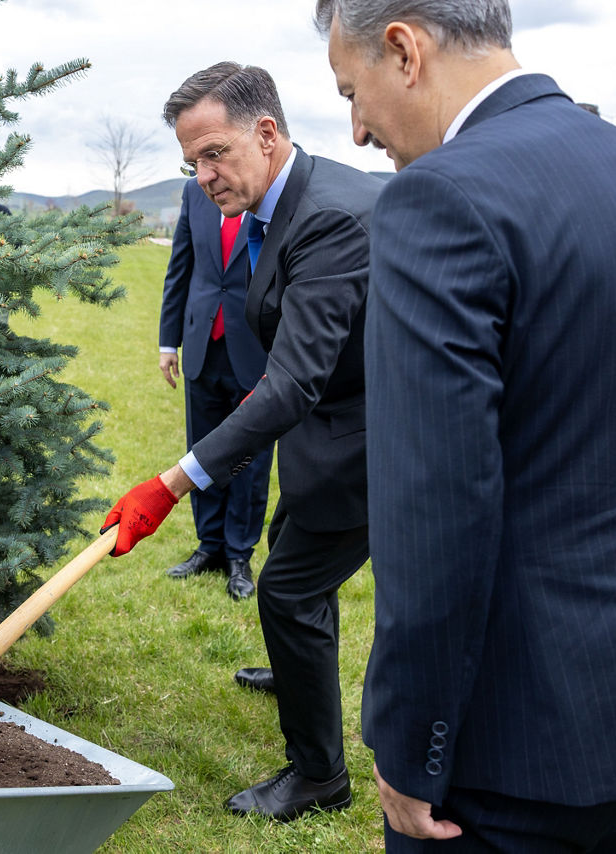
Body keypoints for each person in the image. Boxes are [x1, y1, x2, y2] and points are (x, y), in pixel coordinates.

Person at [315, 0, 616, 849]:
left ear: (403, 48)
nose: (358, 131)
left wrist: (410, 745)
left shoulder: (438, 199)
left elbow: (436, 509)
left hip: (513, 733)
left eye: (349, 92)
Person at [102, 61, 385, 821]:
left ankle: (320, 776)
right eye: (192, 162)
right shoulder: (277, 206)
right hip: (331, 420)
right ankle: (298, 673)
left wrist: (171, 483)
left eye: (215, 154)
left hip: (377, 433)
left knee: (289, 588)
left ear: (265, 133)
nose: (204, 176)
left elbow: (292, 383)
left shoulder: (327, 216)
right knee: (293, 544)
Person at [157, 177, 272, 600]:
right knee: (201, 450)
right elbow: (180, 267)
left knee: (248, 457)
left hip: (254, 349)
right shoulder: (194, 193)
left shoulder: (264, 187)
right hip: (201, 345)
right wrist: (168, 342)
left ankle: (240, 554)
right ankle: (209, 546)